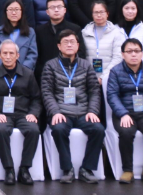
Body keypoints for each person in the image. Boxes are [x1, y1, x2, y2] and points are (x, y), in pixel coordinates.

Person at [39, 29, 104, 184]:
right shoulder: (50, 65)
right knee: (59, 129)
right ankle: (67, 169)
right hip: (61, 112)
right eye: (65, 42)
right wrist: (55, 112)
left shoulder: (86, 65)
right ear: (59, 46)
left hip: (83, 112)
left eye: (72, 42)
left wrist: (92, 111)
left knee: (98, 129)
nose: (69, 45)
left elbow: (94, 91)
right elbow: (47, 92)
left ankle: (87, 169)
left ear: (78, 45)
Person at [106, 38, 143, 184]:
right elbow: (112, 95)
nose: (133, 54)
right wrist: (123, 114)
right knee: (126, 132)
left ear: (142, 53)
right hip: (124, 113)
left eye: (137, 51)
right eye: (129, 51)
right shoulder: (115, 71)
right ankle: (127, 170)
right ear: (123, 54)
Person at [0, 39, 42, 185]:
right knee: (1, 130)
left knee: (34, 130)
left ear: (17, 55)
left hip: (23, 114)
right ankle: (9, 169)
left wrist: (33, 113)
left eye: (11, 53)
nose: (8, 56)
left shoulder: (28, 74)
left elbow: (36, 98)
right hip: (3, 115)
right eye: (5, 53)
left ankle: (24, 169)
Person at [35, 0, 85, 79]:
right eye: (52, 7)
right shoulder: (39, 31)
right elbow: (37, 57)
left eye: (59, 7)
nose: (56, 10)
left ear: (65, 10)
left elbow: (81, 53)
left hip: (70, 75)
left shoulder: (75, 29)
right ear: (47, 12)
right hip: (46, 76)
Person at [82, 0, 125, 80]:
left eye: (102, 12)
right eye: (96, 12)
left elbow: (118, 57)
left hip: (110, 77)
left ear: (107, 14)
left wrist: (103, 77)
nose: (99, 15)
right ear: (92, 14)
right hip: (89, 78)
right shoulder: (85, 32)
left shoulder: (116, 32)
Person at [0, 0, 37, 70]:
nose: (13, 13)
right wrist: (4, 69)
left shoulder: (30, 32)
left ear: (22, 12)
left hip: (24, 72)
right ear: (6, 12)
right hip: (2, 72)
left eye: (16, 9)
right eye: (10, 9)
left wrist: (22, 71)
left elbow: (32, 54)